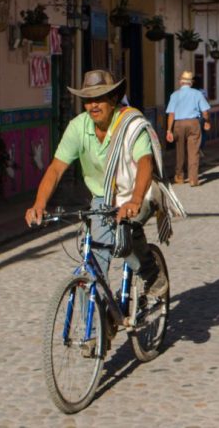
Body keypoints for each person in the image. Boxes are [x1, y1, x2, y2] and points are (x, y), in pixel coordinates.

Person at [25, 69, 168, 296]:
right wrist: (39, 204)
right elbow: (55, 168)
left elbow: (145, 162)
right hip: (103, 198)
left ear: (112, 100)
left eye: (99, 98)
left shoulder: (129, 124)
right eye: (88, 100)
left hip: (137, 190)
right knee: (95, 261)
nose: (93, 105)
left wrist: (135, 200)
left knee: (125, 236)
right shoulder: (78, 127)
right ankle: (101, 320)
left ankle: (152, 274)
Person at [166, 70, 210, 186]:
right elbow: (205, 112)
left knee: (180, 151)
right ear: (191, 83)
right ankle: (193, 179)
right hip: (193, 123)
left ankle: (179, 176)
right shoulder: (197, 94)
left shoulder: (174, 95)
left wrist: (168, 130)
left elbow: (171, 114)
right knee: (193, 151)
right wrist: (206, 121)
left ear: (181, 82)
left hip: (178, 125)